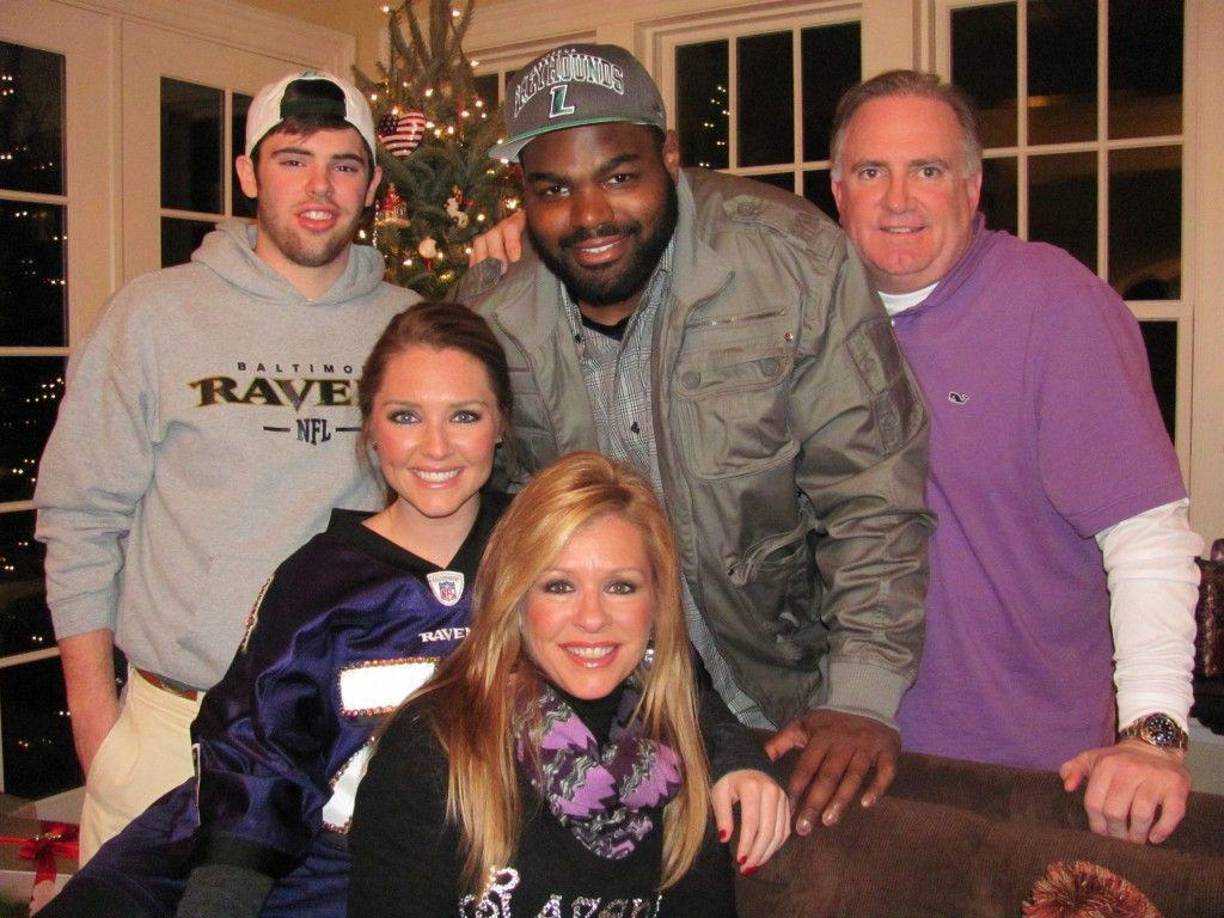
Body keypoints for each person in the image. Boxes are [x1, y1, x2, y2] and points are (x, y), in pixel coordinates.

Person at [459, 43, 934, 839]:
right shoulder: (496, 319)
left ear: (669, 158)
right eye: (553, 189)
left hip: (784, 709)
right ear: (523, 194)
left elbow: (873, 494)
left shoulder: (792, 262)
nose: (590, 216)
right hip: (598, 718)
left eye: (619, 176)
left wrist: (859, 696)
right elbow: (484, 523)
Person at [789, 69, 1201, 845]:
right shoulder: (807, 316)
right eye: (872, 172)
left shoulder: (1054, 304)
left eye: (929, 170)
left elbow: (1147, 537)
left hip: (1032, 776)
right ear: (838, 191)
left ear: (973, 187)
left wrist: (1154, 738)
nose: (898, 199)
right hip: (845, 758)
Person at [33, 69, 413, 862]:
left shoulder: (413, 328)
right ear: (247, 172)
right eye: (291, 158)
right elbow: (79, 521)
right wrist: (101, 735)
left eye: (345, 164)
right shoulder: (154, 315)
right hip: (173, 734)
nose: (320, 186)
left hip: (348, 736)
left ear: (373, 183)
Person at [39, 301, 513, 918]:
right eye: (405, 416)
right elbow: (260, 753)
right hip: (330, 886)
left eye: (465, 416)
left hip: (510, 879)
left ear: (501, 423)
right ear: (369, 427)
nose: (436, 446)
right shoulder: (316, 582)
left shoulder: (552, 557)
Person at [349, 451, 790, 917]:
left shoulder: (686, 748)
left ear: (657, 603)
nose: (593, 618)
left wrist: (741, 760)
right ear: (514, 597)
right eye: (559, 586)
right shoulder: (437, 745)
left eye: (620, 586)